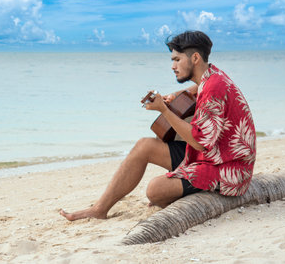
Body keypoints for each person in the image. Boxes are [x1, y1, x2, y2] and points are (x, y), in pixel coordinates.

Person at [60, 30, 256, 221]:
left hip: (228, 168)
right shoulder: (212, 75)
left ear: (195, 58)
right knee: (144, 146)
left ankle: (186, 193)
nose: (172, 66)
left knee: (155, 190)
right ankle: (99, 209)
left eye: (177, 59)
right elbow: (198, 88)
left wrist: (165, 110)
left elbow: (199, 142)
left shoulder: (214, 87)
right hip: (213, 155)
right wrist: (177, 97)